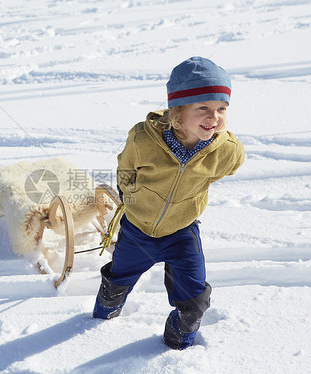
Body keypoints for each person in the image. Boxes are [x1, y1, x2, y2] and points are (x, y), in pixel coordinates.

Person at [92, 56, 245, 350]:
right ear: (178, 111)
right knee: (116, 283)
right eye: (203, 107)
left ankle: (177, 346)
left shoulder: (226, 150)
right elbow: (126, 171)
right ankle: (98, 324)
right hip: (137, 231)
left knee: (194, 300)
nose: (214, 117)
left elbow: (230, 167)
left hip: (181, 234)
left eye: (221, 109)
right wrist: (132, 199)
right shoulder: (143, 140)